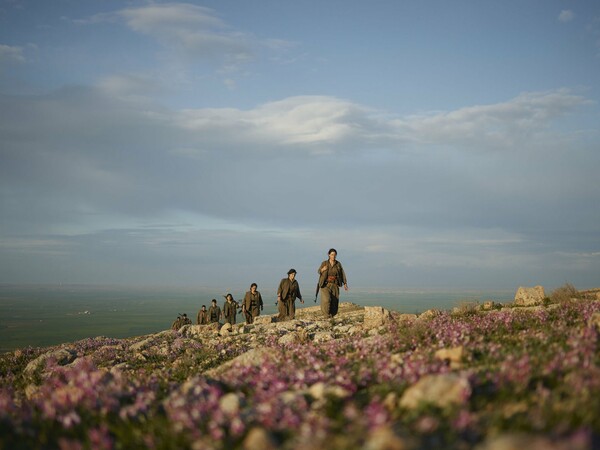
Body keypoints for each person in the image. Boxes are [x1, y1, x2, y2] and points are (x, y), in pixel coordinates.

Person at [317, 248, 348, 318]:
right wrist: (322, 269)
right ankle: (326, 315)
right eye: (332, 254)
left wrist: (345, 283)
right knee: (326, 300)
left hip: (335, 284)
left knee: (334, 301)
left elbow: (342, 273)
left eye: (334, 255)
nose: (333, 256)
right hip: (325, 284)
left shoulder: (338, 264)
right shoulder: (324, 263)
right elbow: (319, 271)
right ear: (328, 255)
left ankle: (332, 316)